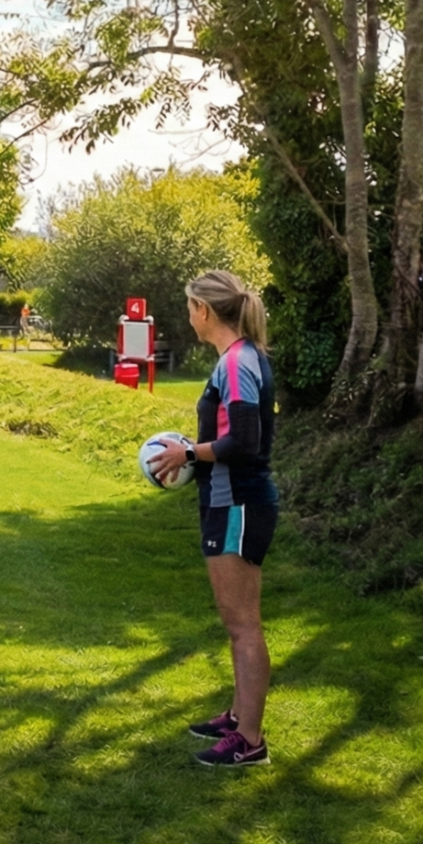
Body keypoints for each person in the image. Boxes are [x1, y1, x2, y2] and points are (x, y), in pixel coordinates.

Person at [147, 269, 277, 768]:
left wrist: (187, 453)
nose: (187, 315)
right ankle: (239, 716)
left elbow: (244, 443)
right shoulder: (237, 359)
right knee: (235, 621)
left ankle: (250, 740)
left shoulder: (239, 361)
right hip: (230, 502)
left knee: (244, 625)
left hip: (239, 503)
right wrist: (193, 451)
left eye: (188, 307)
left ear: (203, 310)